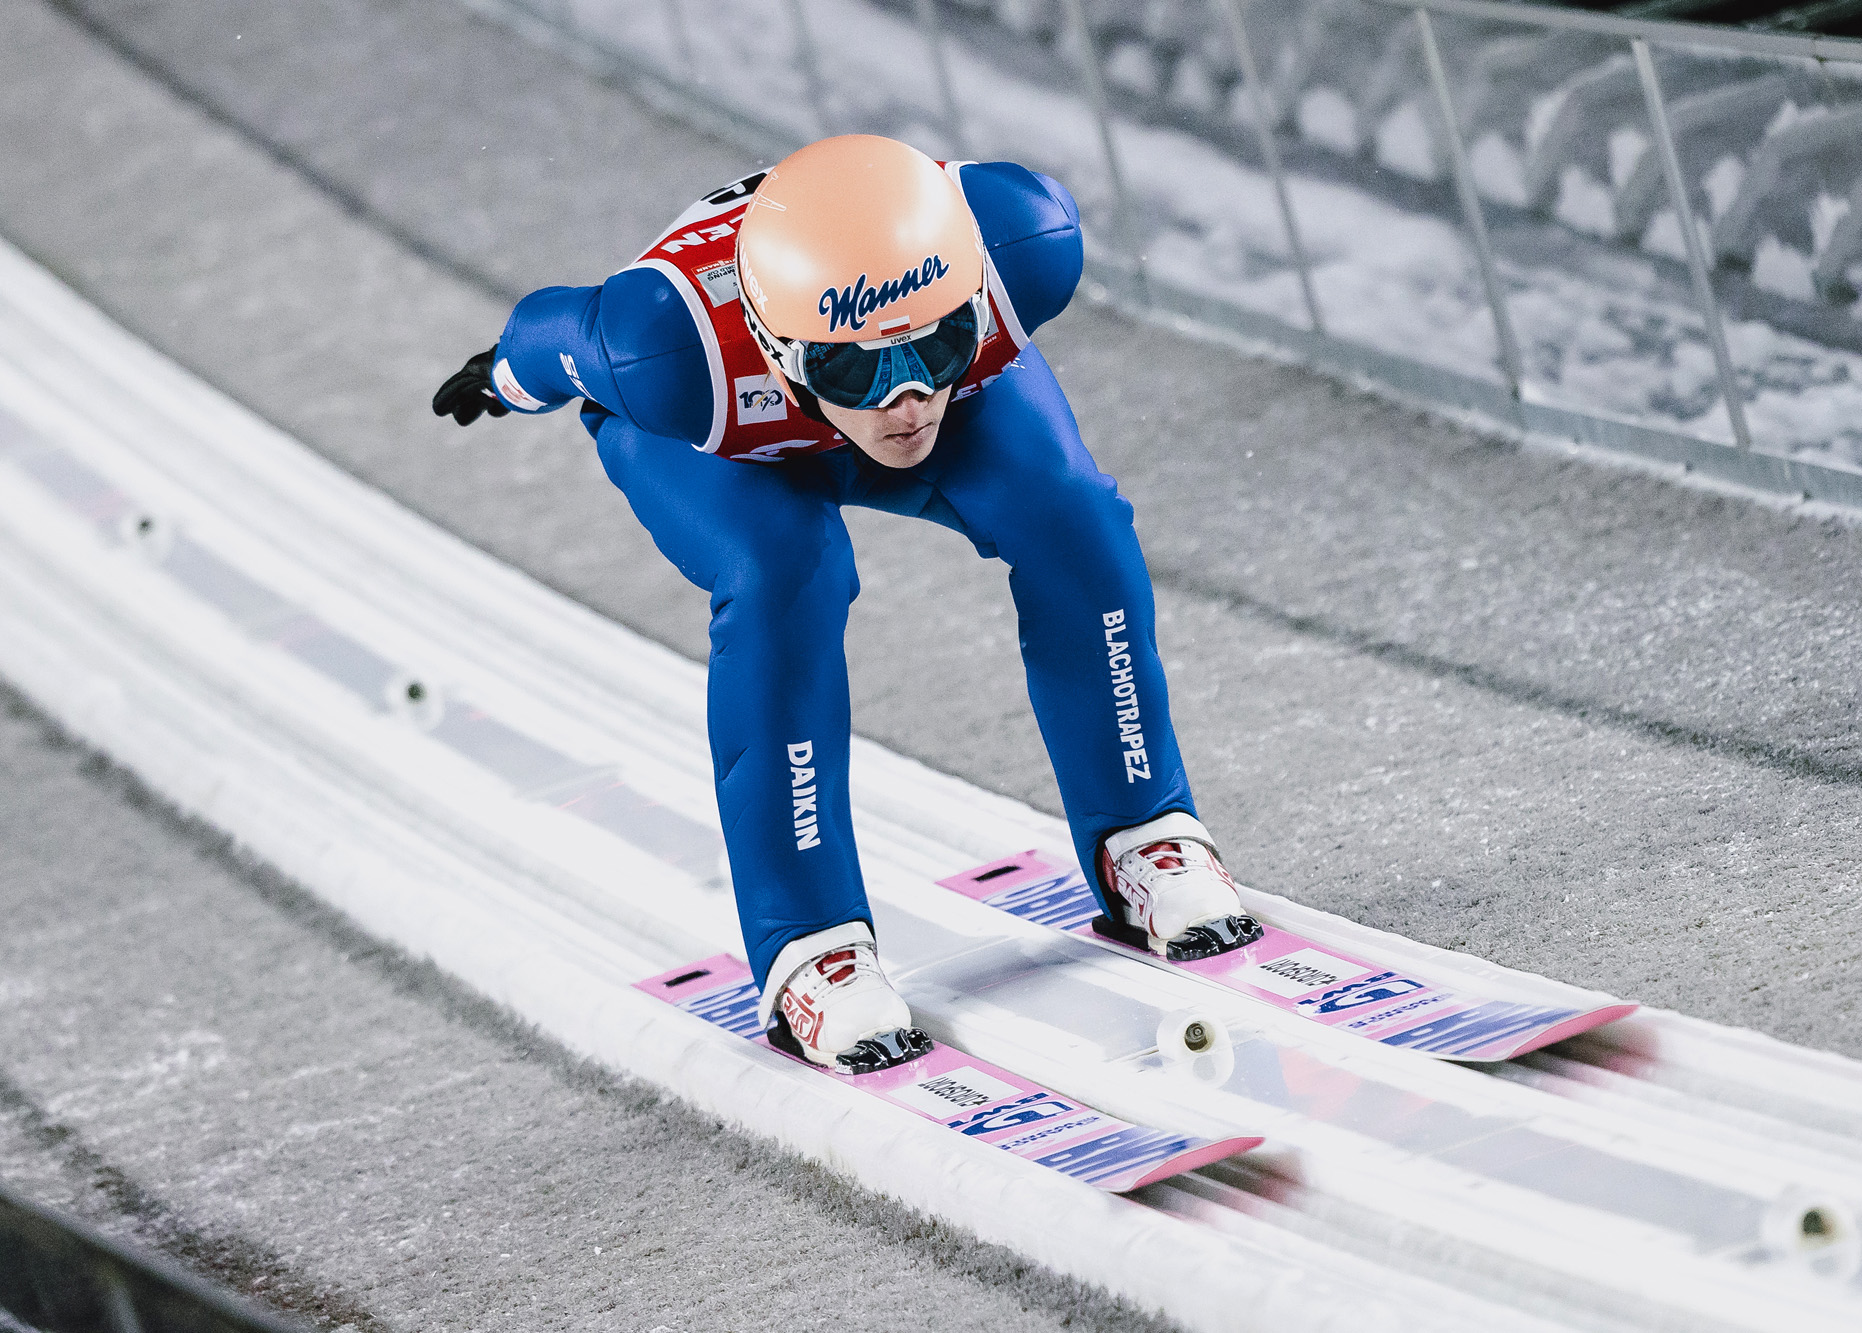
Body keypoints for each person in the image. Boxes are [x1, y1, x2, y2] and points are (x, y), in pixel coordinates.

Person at [433, 134, 1259, 1073]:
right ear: (782, 345)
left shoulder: (1020, 244)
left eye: (939, 342)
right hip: (728, 439)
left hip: (867, 384)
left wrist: (895, 364)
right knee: (787, 570)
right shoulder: (666, 350)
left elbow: (906, 369)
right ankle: (807, 945)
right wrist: (503, 375)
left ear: (969, 296)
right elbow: (555, 334)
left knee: (1073, 514)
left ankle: (1143, 830)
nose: (907, 400)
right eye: (859, 367)